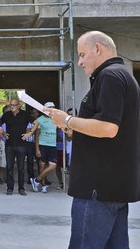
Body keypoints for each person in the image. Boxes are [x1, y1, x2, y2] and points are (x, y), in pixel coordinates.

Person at [48, 31, 140, 248]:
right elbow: (108, 128)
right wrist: (70, 126)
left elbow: (108, 128)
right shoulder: (123, 76)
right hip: (114, 187)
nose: (79, 62)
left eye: (81, 54)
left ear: (97, 49)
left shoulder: (109, 77)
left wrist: (69, 120)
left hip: (97, 188)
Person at [2, 98, 33, 196]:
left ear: (19, 105)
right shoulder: (7, 115)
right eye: (11, 105)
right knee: (9, 167)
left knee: (21, 168)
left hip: (21, 145)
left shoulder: (25, 114)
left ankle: (21, 188)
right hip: (9, 145)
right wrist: (3, 133)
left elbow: (37, 122)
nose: (12, 107)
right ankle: (10, 188)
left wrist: (30, 133)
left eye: (14, 105)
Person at [31, 102, 57, 193]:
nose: (52, 110)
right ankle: (43, 185)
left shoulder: (56, 119)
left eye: (53, 108)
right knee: (42, 165)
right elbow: (36, 136)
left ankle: (36, 180)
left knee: (53, 165)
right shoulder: (40, 119)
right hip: (42, 145)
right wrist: (37, 149)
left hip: (52, 145)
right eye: (50, 108)